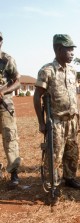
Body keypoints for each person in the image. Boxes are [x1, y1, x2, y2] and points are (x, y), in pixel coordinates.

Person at [33, 34, 80, 203]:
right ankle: (52, 187)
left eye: (72, 49)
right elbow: (37, 97)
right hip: (55, 121)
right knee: (54, 155)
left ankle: (69, 178)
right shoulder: (47, 70)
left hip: (71, 120)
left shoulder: (72, 71)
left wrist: (79, 117)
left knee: (72, 152)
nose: (72, 53)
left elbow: (74, 96)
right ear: (57, 49)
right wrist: (41, 122)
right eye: (68, 49)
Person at [0, 32, 21, 188]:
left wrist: (4, 91)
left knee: (10, 138)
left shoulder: (7, 60)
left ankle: (14, 174)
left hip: (4, 105)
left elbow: (17, 82)